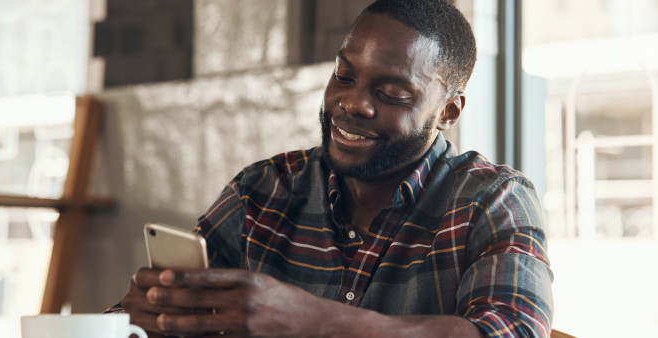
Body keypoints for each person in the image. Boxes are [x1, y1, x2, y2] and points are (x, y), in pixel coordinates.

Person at [110, 0, 554, 337]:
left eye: (392, 93)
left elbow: (510, 330)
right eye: (344, 76)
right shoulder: (263, 190)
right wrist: (141, 314)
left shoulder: (492, 200)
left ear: (448, 112)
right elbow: (136, 316)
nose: (352, 103)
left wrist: (313, 321)